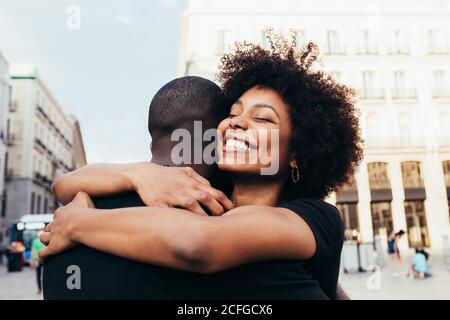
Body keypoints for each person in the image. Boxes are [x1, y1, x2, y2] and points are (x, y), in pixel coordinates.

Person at [41, 33, 362, 299]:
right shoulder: (207, 200)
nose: (237, 123)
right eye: (234, 113)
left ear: (298, 152)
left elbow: (197, 245)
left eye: (263, 118)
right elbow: (64, 184)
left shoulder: (315, 216)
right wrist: (139, 173)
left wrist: (77, 222)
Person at [30, 229, 46, 294]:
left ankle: (41, 289)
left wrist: (32, 259)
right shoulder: (35, 241)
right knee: (39, 275)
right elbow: (33, 251)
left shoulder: (44, 240)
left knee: (41, 275)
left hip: (44, 258)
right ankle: (40, 289)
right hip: (39, 259)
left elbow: (32, 251)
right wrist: (32, 260)